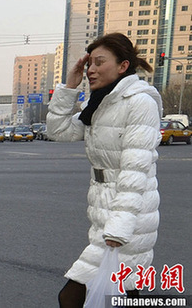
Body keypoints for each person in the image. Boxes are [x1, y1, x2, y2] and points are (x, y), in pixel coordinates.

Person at [46, 33, 162, 307]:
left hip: (129, 217)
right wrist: (69, 86)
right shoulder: (99, 103)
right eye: (89, 64)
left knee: (73, 296)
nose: (91, 70)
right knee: (121, 294)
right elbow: (58, 130)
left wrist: (118, 230)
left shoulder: (139, 103)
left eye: (99, 63)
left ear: (123, 66)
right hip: (104, 207)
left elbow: (135, 173)